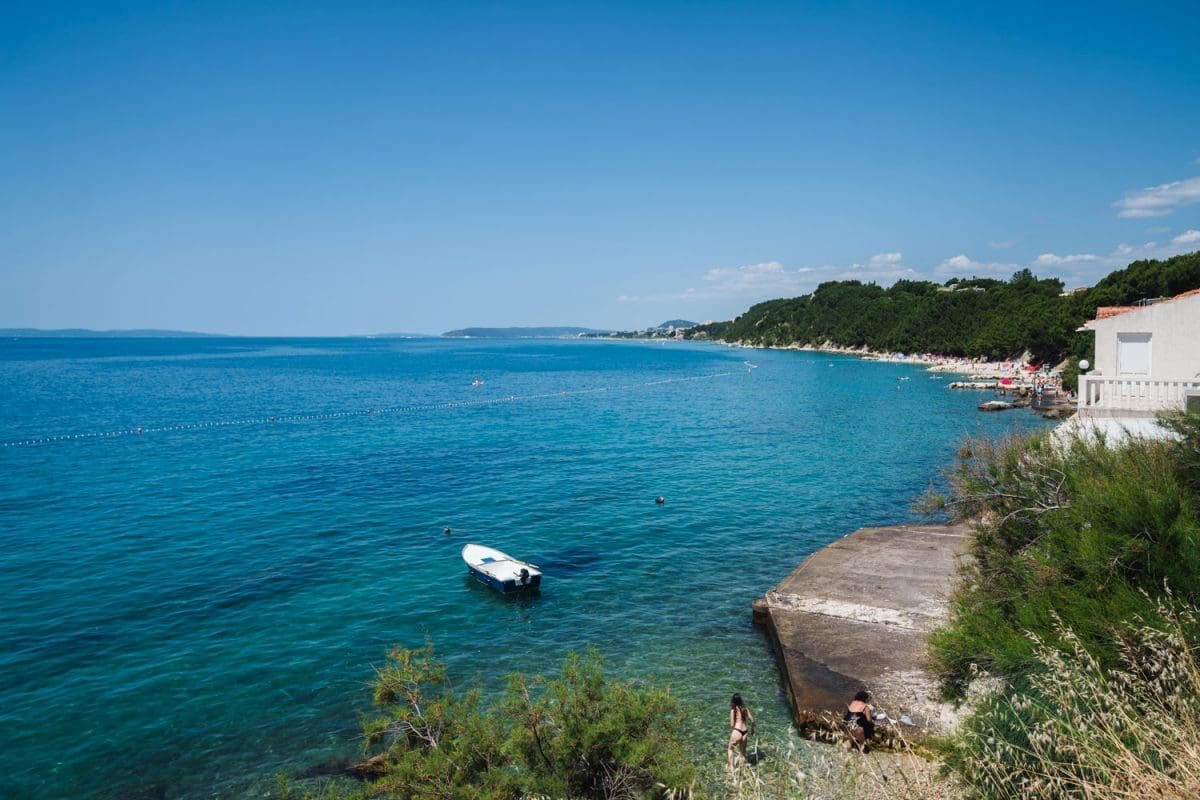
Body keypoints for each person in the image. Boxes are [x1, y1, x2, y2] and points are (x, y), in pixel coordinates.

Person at [727, 693, 755, 768]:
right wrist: (752, 730)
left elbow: (732, 725)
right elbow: (752, 721)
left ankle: (732, 770)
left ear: (733, 701)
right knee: (742, 753)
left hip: (737, 730)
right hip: (745, 732)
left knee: (730, 749)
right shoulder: (745, 708)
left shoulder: (733, 710)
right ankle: (741, 769)